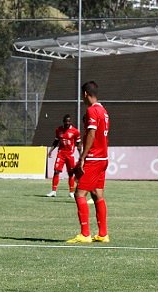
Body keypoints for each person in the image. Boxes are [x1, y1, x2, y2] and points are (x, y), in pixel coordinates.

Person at [66, 81, 110, 244]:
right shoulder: (103, 111)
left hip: (93, 158)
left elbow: (92, 134)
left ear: (85, 94)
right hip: (103, 158)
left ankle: (85, 234)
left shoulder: (92, 110)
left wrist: (83, 157)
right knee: (97, 193)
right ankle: (103, 234)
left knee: (80, 193)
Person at [46, 114, 82, 198]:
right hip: (61, 154)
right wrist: (51, 150)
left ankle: (71, 192)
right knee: (56, 171)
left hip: (70, 155)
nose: (67, 123)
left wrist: (81, 155)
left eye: (69, 121)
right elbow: (56, 141)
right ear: (63, 122)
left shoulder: (75, 131)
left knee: (71, 173)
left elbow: (78, 144)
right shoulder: (59, 130)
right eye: (66, 121)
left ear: (71, 122)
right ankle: (53, 191)